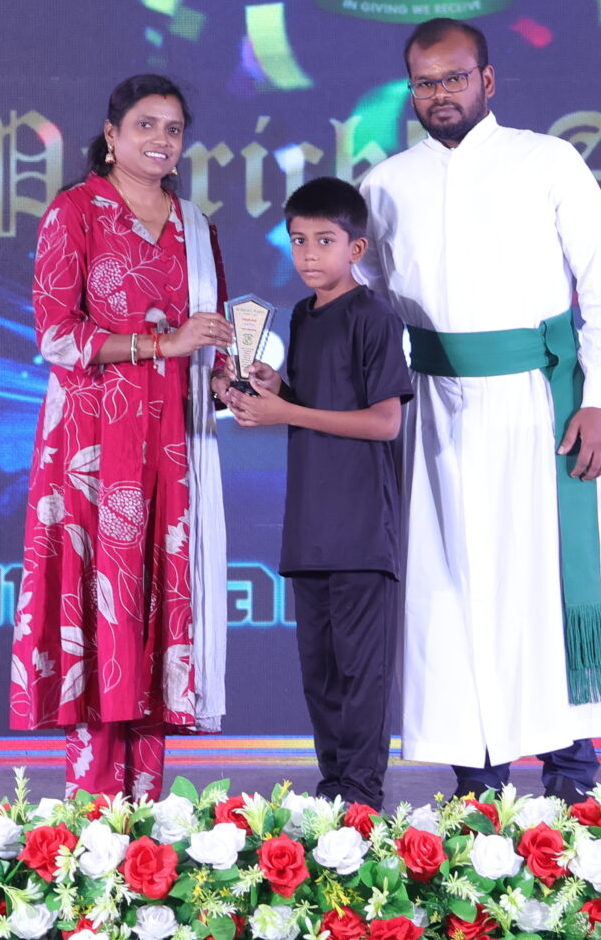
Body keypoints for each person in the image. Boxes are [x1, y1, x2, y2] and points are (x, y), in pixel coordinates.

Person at [357, 17, 601, 800]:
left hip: (540, 407)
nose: (439, 93)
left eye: (454, 77)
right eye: (425, 82)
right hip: (435, 413)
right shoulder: (385, 184)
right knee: (452, 589)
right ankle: (478, 788)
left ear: (487, 79)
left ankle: (573, 782)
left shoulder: (547, 161)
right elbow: (365, 303)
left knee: (547, 587)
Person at [11, 73, 233, 800]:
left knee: (157, 610)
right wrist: (160, 345)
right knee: (102, 603)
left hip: (173, 441)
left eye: (174, 128)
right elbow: (57, 335)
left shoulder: (196, 227)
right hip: (92, 444)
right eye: (146, 125)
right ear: (111, 134)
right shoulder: (75, 211)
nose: (161, 140)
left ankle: (146, 814)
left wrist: (237, 380)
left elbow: (212, 343)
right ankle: (95, 812)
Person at [225, 178, 414, 808]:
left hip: (360, 528)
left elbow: (384, 422)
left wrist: (285, 411)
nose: (309, 254)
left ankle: (361, 798)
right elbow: (316, 402)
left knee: (362, 674)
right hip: (309, 526)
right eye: (298, 240)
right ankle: (334, 792)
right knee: (322, 675)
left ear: (356, 248)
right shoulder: (303, 316)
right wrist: (274, 387)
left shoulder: (374, 317)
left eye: (324, 241)